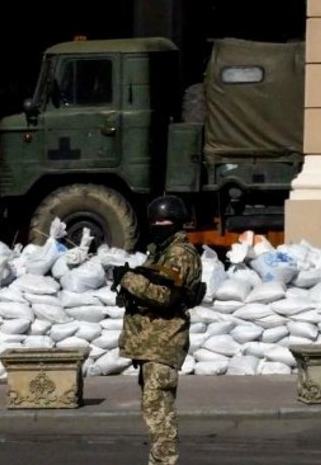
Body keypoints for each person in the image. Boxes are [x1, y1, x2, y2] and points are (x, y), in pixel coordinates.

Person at [112, 195, 205, 465]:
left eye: (164, 221)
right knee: (154, 410)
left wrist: (127, 279)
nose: (158, 226)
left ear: (177, 223)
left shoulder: (180, 254)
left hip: (163, 343)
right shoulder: (160, 251)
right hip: (151, 344)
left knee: (159, 413)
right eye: (155, 221)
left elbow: (164, 295)